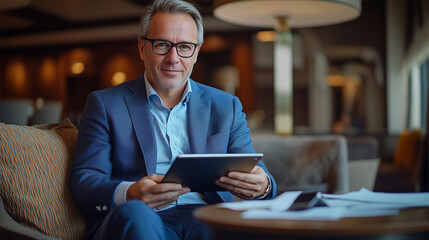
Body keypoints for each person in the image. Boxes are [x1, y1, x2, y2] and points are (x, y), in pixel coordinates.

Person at [69, 0, 277, 239]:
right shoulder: (105, 104)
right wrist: (130, 193)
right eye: (162, 44)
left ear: (196, 52)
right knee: (136, 214)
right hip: (143, 217)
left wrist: (264, 186)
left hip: (207, 217)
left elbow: (255, 169)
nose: (173, 58)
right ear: (141, 48)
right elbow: (85, 181)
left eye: (185, 47)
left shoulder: (226, 105)